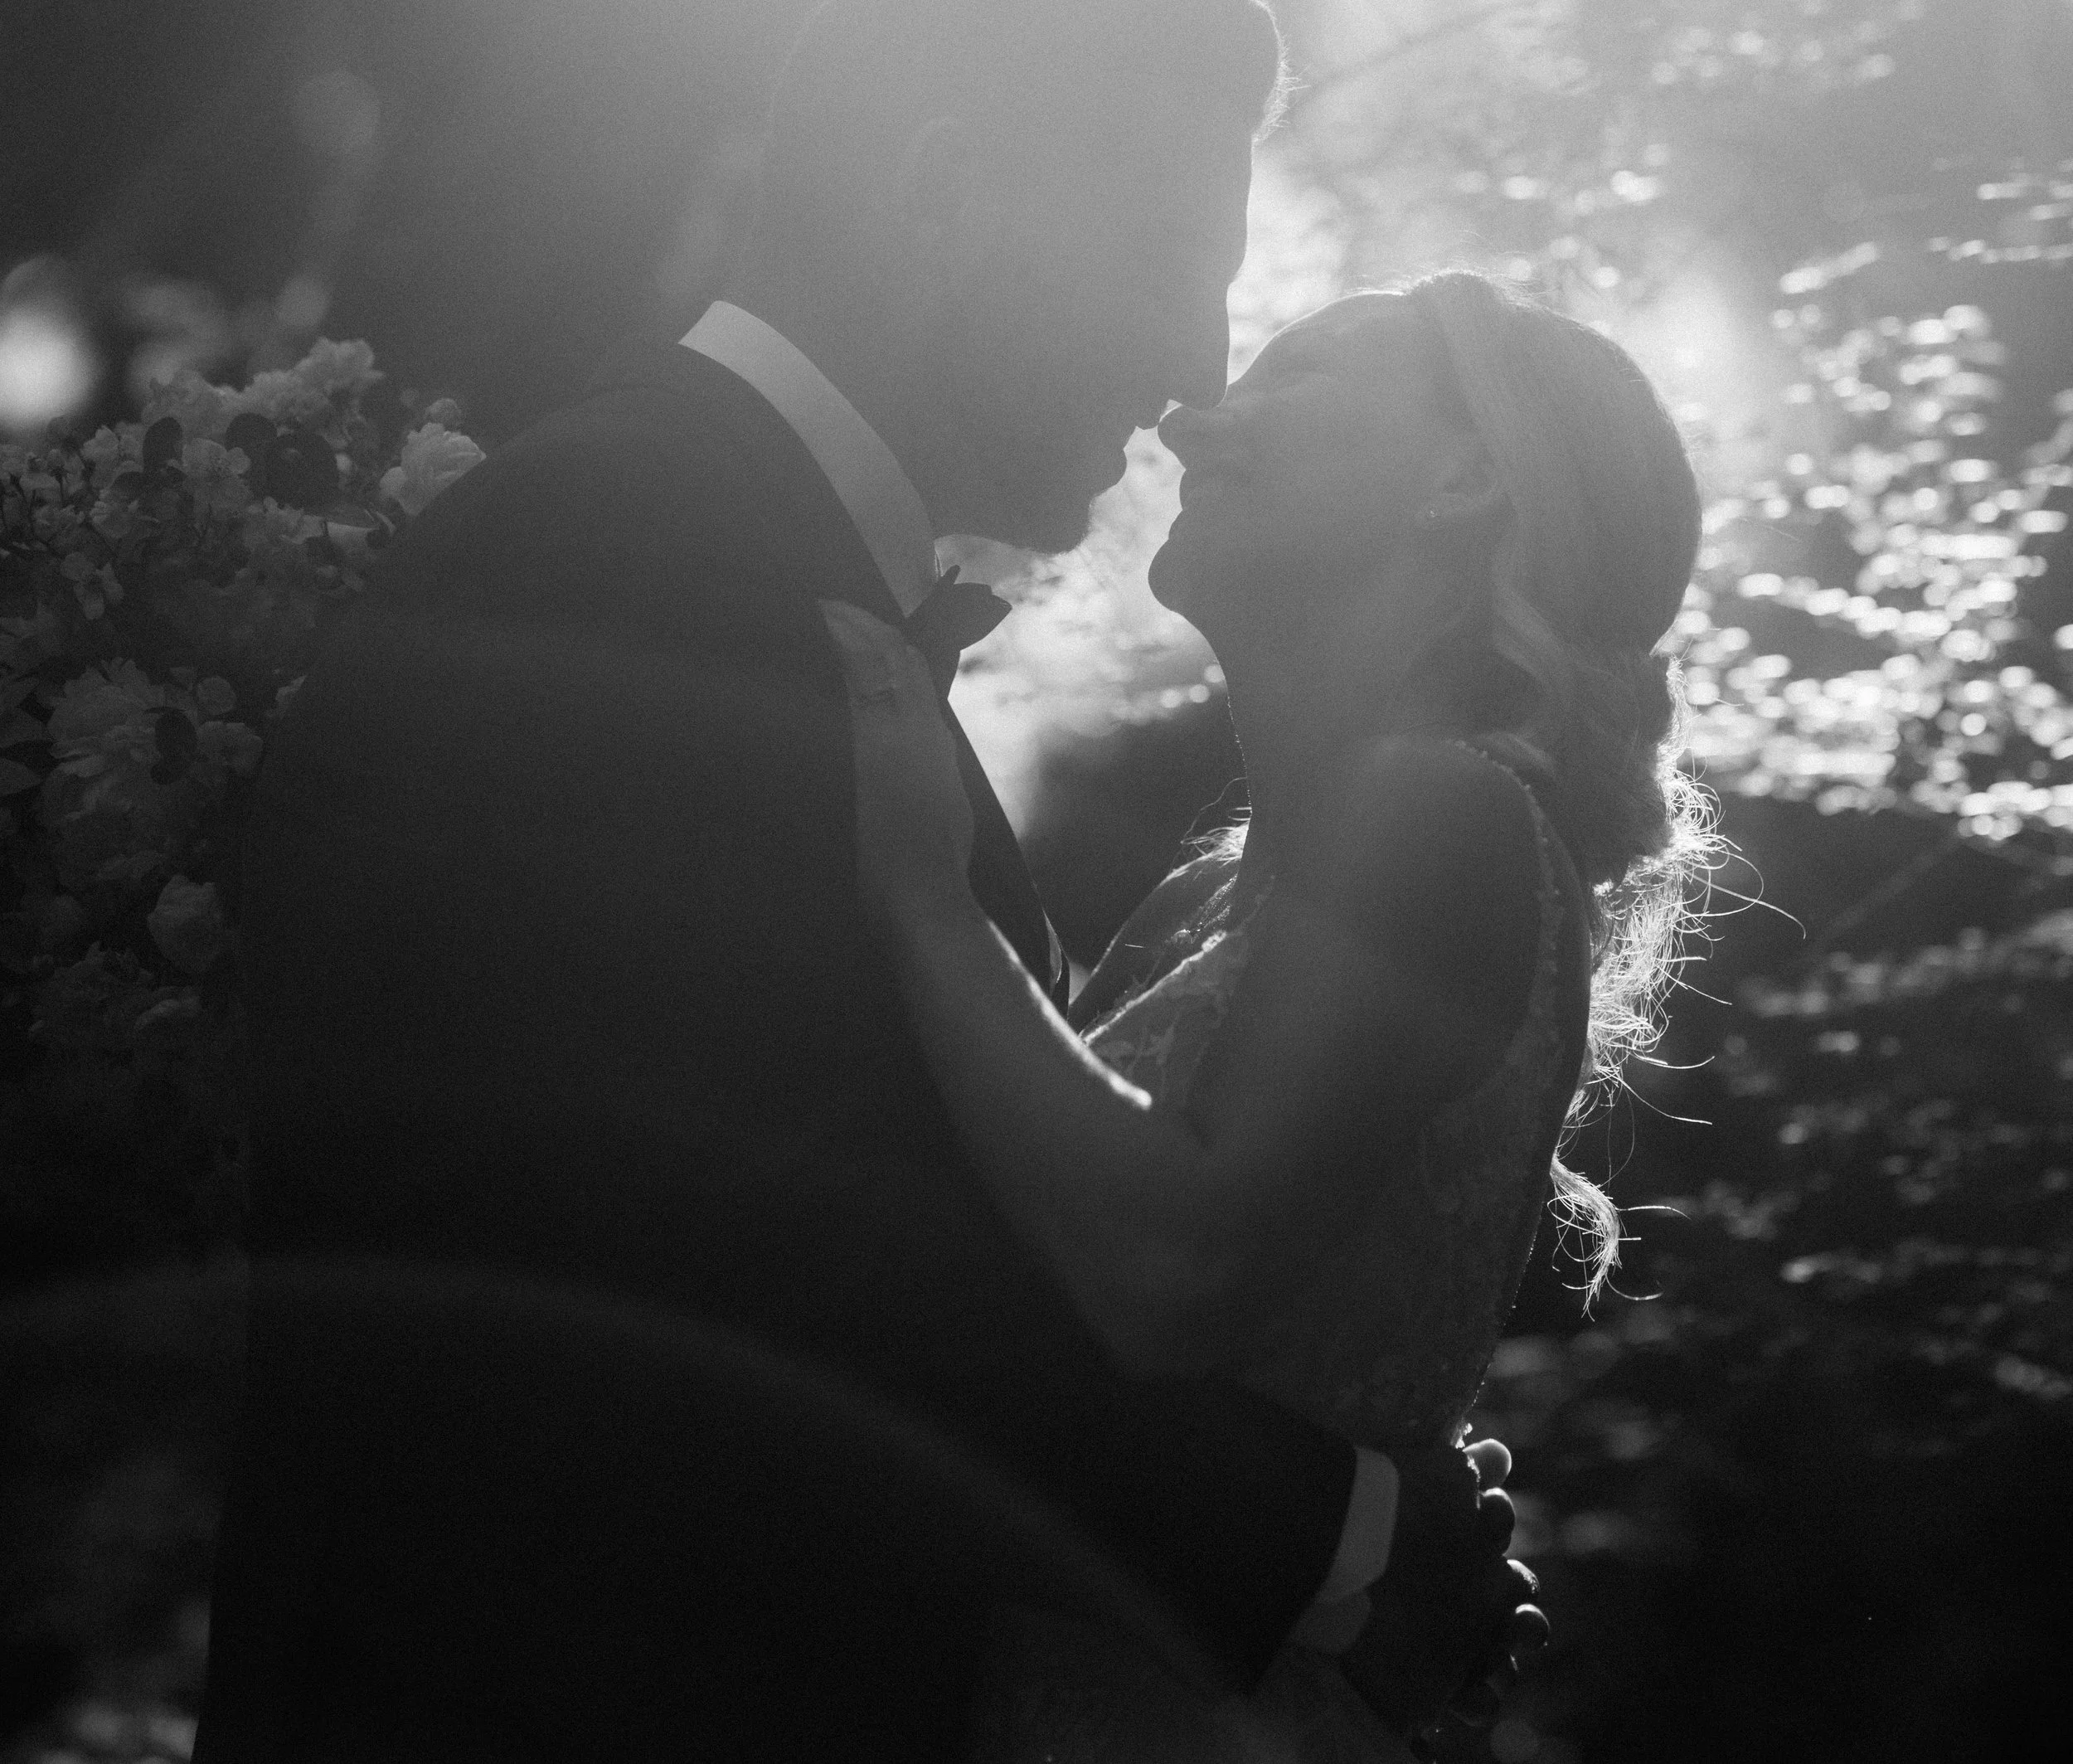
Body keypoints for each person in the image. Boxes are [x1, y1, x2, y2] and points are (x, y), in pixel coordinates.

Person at [194, 4, 1540, 1761]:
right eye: (1169, 265)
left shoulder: (720, 552)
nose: (1191, 364)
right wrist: (1330, 1543)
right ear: (944, 193)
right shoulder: (634, 550)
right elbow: (729, 1252)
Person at [818, 269, 1713, 1759]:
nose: (1190, 419)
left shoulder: (1450, 817)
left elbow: (1170, 1272)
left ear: (1461, 480)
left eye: (1296, 373)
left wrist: (921, 895)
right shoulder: (1209, 896)